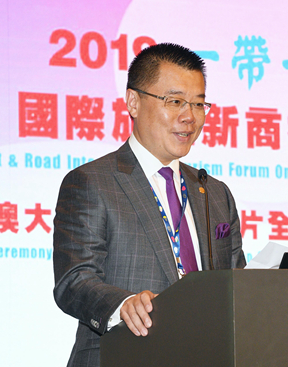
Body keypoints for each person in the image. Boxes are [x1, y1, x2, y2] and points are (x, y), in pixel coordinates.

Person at [53, 43, 246, 367]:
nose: (189, 117)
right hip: (122, 355)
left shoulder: (214, 193)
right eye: (175, 101)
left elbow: (237, 283)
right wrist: (124, 304)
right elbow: (74, 281)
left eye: (198, 104)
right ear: (133, 102)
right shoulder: (93, 182)